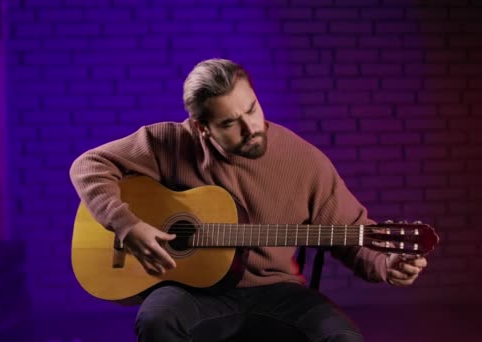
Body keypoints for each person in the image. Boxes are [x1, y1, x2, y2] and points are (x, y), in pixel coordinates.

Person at [69, 58, 428, 342]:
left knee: (342, 336)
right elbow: (88, 165)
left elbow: (354, 232)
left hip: (277, 292)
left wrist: (387, 263)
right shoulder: (169, 142)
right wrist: (126, 224)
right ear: (201, 128)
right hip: (192, 292)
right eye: (229, 123)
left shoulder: (303, 160)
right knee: (156, 319)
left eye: (252, 109)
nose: (251, 127)